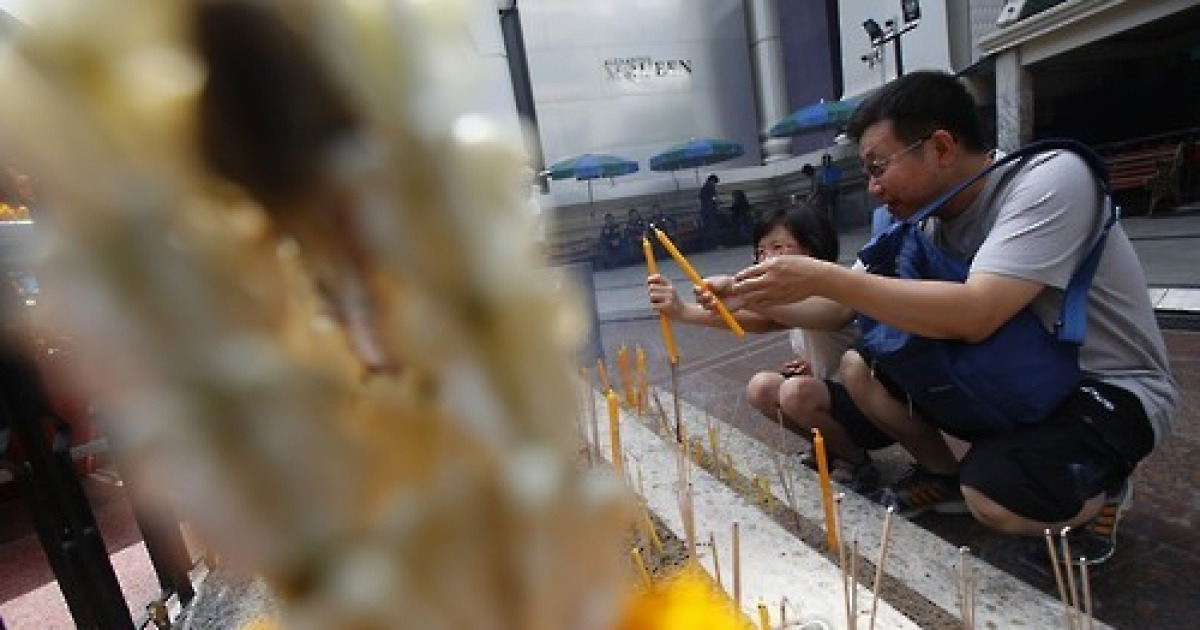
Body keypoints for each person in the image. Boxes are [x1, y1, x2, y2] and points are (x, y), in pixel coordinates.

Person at [716, 70, 1178, 565]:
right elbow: (836, 308)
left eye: (878, 167)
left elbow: (978, 312)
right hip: (1016, 378)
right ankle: (944, 475)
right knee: (860, 365)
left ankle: (1101, 487)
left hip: (1105, 387)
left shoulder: (1049, 179)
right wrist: (742, 296)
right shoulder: (923, 220)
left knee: (994, 498)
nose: (873, 188)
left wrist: (824, 277)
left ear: (940, 146)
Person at [646, 203, 893, 492]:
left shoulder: (837, 289)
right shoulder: (787, 302)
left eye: (777, 247)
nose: (766, 259)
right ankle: (828, 449)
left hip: (877, 414)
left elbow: (828, 316)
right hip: (836, 402)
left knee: (796, 392)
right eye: (761, 251)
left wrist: (742, 293)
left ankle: (856, 463)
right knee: (761, 387)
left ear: (812, 248)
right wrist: (681, 311)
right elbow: (764, 321)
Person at [816, 153, 842, 222]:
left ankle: (835, 221)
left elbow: (837, 181)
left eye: (826, 161)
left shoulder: (835, 169)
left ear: (829, 161)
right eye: (824, 161)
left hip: (833, 191)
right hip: (825, 192)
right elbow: (820, 182)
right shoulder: (822, 171)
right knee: (827, 208)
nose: (825, 163)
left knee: (834, 208)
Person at [698, 174, 720, 249]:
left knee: (708, 227)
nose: (715, 184)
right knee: (713, 227)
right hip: (710, 211)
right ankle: (714, 244)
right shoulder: (710, 187)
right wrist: (716, 201)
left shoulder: (704, 187)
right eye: (715, 182)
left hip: (705, 211)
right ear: (712, 180)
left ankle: (709, 244)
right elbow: (713, 198)